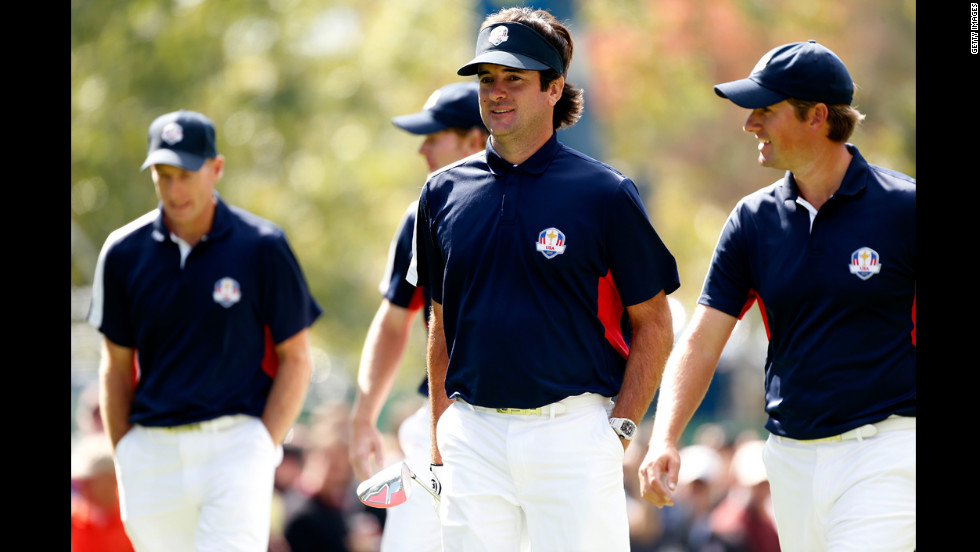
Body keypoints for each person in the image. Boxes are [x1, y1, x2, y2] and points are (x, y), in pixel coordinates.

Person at [407, 7, 680, 551]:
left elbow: (654, 324)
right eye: (487, 79)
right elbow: (440, 322)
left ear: (554, 89)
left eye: (514, 78)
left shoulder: (604, 193)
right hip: (474, 438)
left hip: (573, 434)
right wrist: (441, 441)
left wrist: (619, 431)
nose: (496, 92)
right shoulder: (440, 193)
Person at [637, 40, 916, 552]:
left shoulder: (904, 209)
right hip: (790, 461)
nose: (750, 125)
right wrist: (665, 438)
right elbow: (700, 342)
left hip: (888, 451)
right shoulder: (752, 221)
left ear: (817, 116)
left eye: (765, 110)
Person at [87, 109, 322, 552]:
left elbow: (297, 357)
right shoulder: (122, 252)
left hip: (235, 446)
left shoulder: (262, 246)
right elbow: (115, 366)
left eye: (187, 174)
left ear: (215, 169)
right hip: (151, 456)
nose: (175, 190)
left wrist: (260, 442)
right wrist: (127, 455)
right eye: (163, 175)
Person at [348, 81, 488, 552]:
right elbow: (392, 323)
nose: (423, 150)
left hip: (526, 423)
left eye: (435, 137)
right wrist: (364, 416)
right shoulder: (420, 215)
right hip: (439, 419)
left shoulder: (545, 205)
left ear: (474, 140)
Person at [71, 434, 134, 552]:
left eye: (110, 479)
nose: (107, 487)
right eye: (101, 480)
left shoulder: (129, 517)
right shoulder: (75, 521)